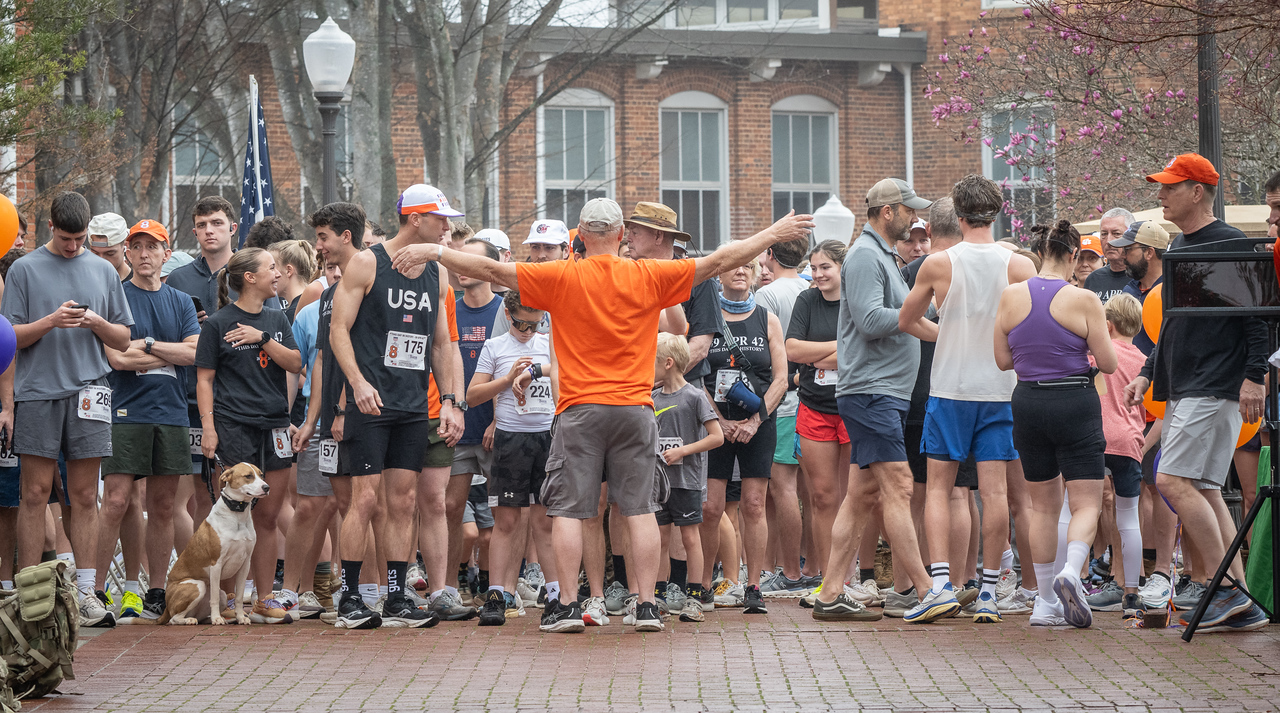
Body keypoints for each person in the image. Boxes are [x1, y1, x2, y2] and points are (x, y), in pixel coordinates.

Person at [391, 196, 814, 632]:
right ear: (619, 236)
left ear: (580, 233)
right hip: (635, 407)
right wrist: (773, 234)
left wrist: (436, 251)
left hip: (580, 409)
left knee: (573, 511)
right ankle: (647, 605)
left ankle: (570, 607)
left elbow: (495, 271)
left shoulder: (560, 275)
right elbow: (720, 260)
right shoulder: (647, 273)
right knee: (640, 510)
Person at [1123, 153, 1269, 631]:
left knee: (1171, 482)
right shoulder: (1183, 244)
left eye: (1169, 187)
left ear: (1197, 192)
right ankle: (1236, 596)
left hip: (1213, 384)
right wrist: (1147, 371)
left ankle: (1226, 589)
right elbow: (1173, 322)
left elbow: (1257, 318)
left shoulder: (1228, 243)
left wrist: (1254, 376)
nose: (1160, 195)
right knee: (1202, 487)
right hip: (1190, 385)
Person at [899, 174, 1037, 623]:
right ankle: (990, 592)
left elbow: (905, 320)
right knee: (994, 493)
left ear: (958, 215)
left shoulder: (939, 263)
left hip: (951, 388)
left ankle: (940, 585)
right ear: (997, 212)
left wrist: (946, 335)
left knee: (939, 489)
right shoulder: (1018, 263)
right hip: (1001, 389)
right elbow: (1032, 328)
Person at [328, 184, 461, 629]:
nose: (448, 227)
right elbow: (338, 330)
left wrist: (451, 401)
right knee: (365, 499)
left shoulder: (437, 274)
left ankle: (397, 597)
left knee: (404, 502)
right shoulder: (368, 261)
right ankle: (348, 598)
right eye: (441, 219)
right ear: (415, 219)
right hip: (371, 402)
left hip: (411, 404)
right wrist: (358, 383)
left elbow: (443, 343)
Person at [812, 178, 944, 623]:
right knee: (901, 485)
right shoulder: (868, 255)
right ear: (888, 211)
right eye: (910, 211)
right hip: (872, 392)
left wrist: (947, 335)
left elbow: (910, 321)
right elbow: (871, 320)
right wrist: (919, 318)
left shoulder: (882, 256)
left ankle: (830, 594)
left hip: (880, 392)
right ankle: (926, 591)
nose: (916, 218)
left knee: (863, 494)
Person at [0, 191, 134, 627]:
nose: (74, 247)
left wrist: (95, 321)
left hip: (90, 392)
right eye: (66, 238)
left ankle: (88, 592)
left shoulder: (103, 269)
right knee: (34, 494)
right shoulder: (23, 268)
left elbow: (123, 340)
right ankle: (31, 596)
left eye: (80, 239)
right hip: (38, 392)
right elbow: (10, 338)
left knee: (83, 495)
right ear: (50, 227)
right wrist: (50, 322)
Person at [994, 219, 1117, 628]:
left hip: (1028, 401)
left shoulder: (1010, 296)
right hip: (1074, 400)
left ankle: (1045, 602)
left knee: (1042, 507)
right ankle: (1073, 569)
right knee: (1087, 501)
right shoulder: (1082, 299)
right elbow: (1110, 363)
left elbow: (1003, 360)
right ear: (1070, 256)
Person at [97, 220, 200, 621]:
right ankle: (99, 588)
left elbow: (194, 352)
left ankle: (156, 590)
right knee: (118, 501)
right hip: (125, 412)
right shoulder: (116, 298)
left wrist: (150, 345)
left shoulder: (180, 301)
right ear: (127, 252)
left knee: (162, 505)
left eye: (151, 247)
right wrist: (168, 352)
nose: (143, 254)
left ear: (165, 252)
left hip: (171, 413)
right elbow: (118, 358)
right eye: (136, 247)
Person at [195, 247, 303, 624]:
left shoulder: (276, 318)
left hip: (273, 423)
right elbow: (204, 379)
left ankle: (265, 597)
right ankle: (227, 599)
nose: (279, 273)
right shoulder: (218, 323)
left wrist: (262, 338)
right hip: (232, 424)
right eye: (271, 268)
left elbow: (295, 362)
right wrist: (208, 428)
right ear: (250, 278)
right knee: (233, 514)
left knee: (269, 513)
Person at [699, 256, 789, 615]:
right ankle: (702, 584)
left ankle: (753, 586)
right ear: (719, 272)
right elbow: (696, 373)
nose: (740, 271)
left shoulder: (767, 318)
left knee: (753, 504)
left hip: (759, 423)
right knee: (711, 508)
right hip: (715, 425)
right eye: (733, 265)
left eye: (747, 267)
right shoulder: (706, 318)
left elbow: (781, 378)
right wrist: (716, 420)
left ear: (754, 275)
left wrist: (754, 420)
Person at [291, 202, 368, 616]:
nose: (317, 247)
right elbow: (323, 358)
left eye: (322, 237)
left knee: (369, 504)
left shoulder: (372, 285)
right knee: (326, 504)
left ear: (346, 237)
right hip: (331, 421)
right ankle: (305, 589)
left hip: (366, 415)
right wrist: (313, 419)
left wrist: (341, 409)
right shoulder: (326, 296)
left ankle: (370, 590)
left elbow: (363, 355)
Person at [467, 289, 560, 627]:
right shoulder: (495, 347)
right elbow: (473, 395)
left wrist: (540, 371)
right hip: (510, 438)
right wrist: (506, 380)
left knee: (544, 522)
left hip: (545, 438)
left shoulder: (548, 344)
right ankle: (496, 595)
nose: (527, 331)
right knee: (505, 522)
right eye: (521, 323)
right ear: (507, 315)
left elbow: (567, 378)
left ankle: (555, 595)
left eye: (534, 325)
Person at [167, 196, 240, 528]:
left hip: (240, 395)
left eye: (217, 223)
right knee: (198, 489)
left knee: (235, 487)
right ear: (194, 231)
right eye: (202, 225)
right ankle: (202, 570)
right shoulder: (179, 279)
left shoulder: (249, 272)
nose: (209, 231)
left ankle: (246, 579)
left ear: (232, 228)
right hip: (191, 397)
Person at [785, 240, 849, 604]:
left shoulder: (855, 298)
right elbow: (793, 349)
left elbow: (861, 349)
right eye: (814, 267)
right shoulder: (807, 301)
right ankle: (828, 580)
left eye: (826, 266)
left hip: (855, 407)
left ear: (842, 267)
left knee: (854, 496)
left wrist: (820, 354)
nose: (819, 274)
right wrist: (836, 352)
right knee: (823, 497)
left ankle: (851, 575)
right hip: (814, 407)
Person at [1083, 294, 1148, 618]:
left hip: (1093, 439)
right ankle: (1131, 592)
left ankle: (1075, 575)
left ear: (1106, 325)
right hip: (1129, 443)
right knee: (1128, 518)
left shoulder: (1096, 356)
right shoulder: (1142, 360)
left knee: (1078, 508)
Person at [651, 332, 723, 623]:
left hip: (687, 481)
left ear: (668, 363)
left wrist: (683, 451)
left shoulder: (694, 396)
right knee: (660, 539)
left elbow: (716, 437)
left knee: (690, 537)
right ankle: (657, 596)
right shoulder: (652, 397)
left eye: (652, 361)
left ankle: (695, 596)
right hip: (659, 483)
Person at [753, 233, 810, 595]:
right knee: (808, 492)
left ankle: (789, 572)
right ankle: (792, 566)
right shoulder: (808, 287)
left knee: (783, 488)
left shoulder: (767, 296)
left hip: (783, 403)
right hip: (809, 397)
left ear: (771, 254)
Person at [1082, 208, 1136, 303]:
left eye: (1116, 234)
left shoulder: (1142, 278)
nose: (1108, 241)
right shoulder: (1093, 279)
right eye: (1104, 234)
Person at [87, 213, 132, 282]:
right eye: (95, 253)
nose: (102, 260)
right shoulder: (84, 281)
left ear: (125, 246)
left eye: (110, 253)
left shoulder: (141, 285)